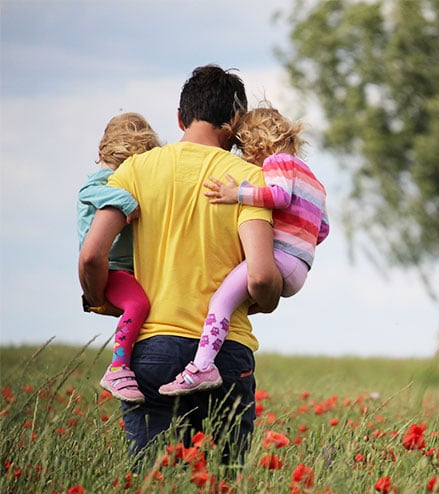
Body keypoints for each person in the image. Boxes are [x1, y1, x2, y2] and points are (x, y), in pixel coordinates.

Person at [78, 64, 282, 464]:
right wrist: (269, 297)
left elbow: (90, 254)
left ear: (179, 117)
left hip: (151, 349)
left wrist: (100, 297)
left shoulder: (135, 170)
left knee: (153, 481)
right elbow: (260, 276)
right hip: (225, 354)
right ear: (235, 121)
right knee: (221, 484)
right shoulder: (249, 180)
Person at [159, 106, 330, 396]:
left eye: (244, 148)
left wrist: (236, 193)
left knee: (220, 302)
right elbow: (322, 230)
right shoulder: (314, 180)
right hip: (300, 267)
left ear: (257, 143)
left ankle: (202, 366)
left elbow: (278, 195)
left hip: (280, 259)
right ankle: (211, 352)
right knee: (236, 301)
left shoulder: (278, 162)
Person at [77, 112, 160, 404]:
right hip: (111, 269)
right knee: (138, 304)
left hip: (126, 268)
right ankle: (118, 367)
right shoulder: (103, 181)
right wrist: (127, 201)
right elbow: (89, 191)